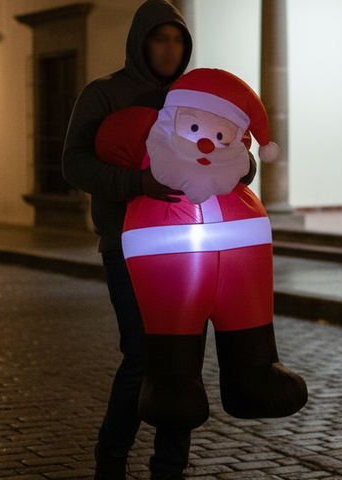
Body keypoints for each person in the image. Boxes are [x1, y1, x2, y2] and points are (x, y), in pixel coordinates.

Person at [62, 1, 253, 478]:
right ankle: (112, 454)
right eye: (160, 38)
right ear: (140, 42)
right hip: (128, 247)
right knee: (142, 356)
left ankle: (169, 466)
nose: (170, 49)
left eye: (178, 40)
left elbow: (234, 158)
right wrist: (137, 184)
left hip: (191, 248)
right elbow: (74, 163)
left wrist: (243, 163)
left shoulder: (199, 97)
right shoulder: (105, 94)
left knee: (181, 363)